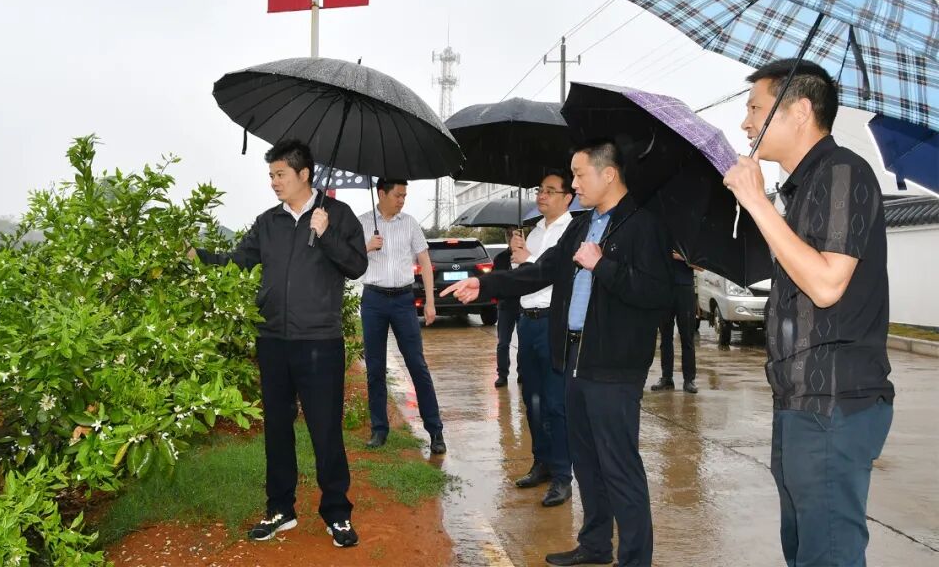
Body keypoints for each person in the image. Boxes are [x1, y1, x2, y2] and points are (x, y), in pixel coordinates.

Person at [443, 140, 672, 567]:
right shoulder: (581, 226)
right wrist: (485, 284)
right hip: (573, 357)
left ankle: (635, 559)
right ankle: (595, 545)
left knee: (619, 467)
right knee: (586, 461)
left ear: (608, 174)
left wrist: (602, 265)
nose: (574, 184)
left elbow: (656, 294)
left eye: (579, 175)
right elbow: (543, 270)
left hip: (614, 366)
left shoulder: (643, 225)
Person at [724, 59, 895, 567]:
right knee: (803, 548)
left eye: (755, 108)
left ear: (799, 111)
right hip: (800, 400)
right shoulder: (802, 188)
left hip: (833, 404)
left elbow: (825, 284)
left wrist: (757, 203)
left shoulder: (843, 172)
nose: (746, 123)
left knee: (828, 554)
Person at [189, 139, 368, 549]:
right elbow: (238, 260)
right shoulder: (268, 222)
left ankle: (337, 512)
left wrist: (325, 234)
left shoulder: (336, 215)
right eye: (271, 175)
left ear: (304, 174)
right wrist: (197, 256)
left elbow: (357, 265)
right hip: (273, 340)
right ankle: (280, 509)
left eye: (280, 174)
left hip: (320, 341)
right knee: (277, 429)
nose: (273, 182)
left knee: (325, 430)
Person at [358, 178, 446, 455]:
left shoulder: (409, 223)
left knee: (417, 365)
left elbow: (425, 262)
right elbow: (348, 261)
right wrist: (366, 247)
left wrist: (430, 302)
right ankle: (379, 429)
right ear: (381, 194)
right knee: (375, 368)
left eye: (404, 196)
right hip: (373, 300)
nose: (402, 200)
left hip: (403, 301)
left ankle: (435, 430)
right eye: (397, 195)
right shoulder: (362, 223)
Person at [506, 170, 576, 508]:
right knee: (531, 398)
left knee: (554, 402)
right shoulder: (533, 232)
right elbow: (523, 276)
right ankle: (542, 462)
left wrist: (527, 260)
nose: (542, 196)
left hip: (553, 323)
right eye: (539, 189)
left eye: (550, 190)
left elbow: (556, 273)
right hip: (527, 321)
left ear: (567, 198)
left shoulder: (571, 231)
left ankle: (563, 475)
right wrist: (517, 256)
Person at [650, 250, 698, 393]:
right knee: (665, 336)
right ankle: (666, 378)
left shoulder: (689, 241)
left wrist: (681, 256)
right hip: (664, 288)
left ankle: (689, 379)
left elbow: (701, 266)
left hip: (685, 288)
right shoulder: (662, 238)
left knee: (687, 336)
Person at [493, 228, 523, 388]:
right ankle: (502, 374)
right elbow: (496, 280)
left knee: (524, 342)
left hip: (524, 304)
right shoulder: (500, 258)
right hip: (505, 306)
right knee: (503, 342)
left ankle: (522, 372)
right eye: (511, 236)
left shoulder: (527, 256)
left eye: (517, 235)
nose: (513, 238)